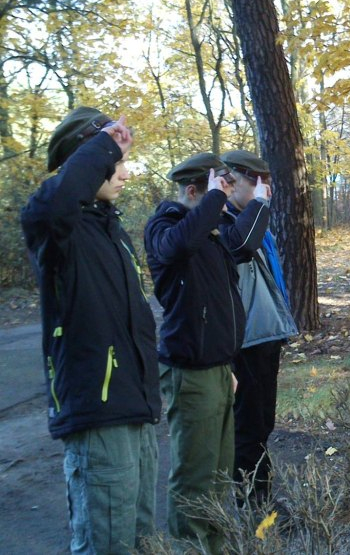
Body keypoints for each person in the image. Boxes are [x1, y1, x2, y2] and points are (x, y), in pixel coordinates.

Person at [20, 107, 160, 554]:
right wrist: (102, 144)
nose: (123, 173)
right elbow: (59, 202)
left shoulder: (110, 230)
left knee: (139, 540)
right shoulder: (55, 225)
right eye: (112, 163)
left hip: (134, 408)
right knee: (107, 544)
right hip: (98, 413)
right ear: (86, 159)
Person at [144, 153, 271, 553]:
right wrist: (216, 201)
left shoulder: (209, 233)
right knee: (194, 476)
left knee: (217, 474)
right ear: (193, 190)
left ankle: (214, 546)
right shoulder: (164, 227)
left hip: (218, 369)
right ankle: (188, 547)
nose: (225, 197)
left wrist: (258, 205)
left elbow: (240, 245)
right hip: (191, 370)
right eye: (219, 189)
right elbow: (178, 246)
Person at [219, 150, 298, 506]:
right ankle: (252, 506)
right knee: (248, 428)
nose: (263, 188)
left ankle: (261, 499)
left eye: (267, 180)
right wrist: (260, 207)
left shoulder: (251, 219)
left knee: (263, 424)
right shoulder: (222, 222)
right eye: (255, 180)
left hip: (265, 337)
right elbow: (241, 246)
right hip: (244, 340)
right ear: (230, 179)